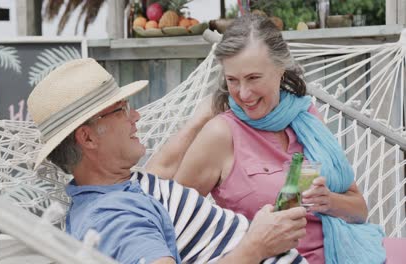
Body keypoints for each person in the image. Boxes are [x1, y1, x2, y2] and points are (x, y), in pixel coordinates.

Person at [146, 14, 386, 264]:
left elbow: (360, 210)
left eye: (253, 78)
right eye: (232, 80)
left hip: (344, 253)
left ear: (280, 69)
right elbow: (171, 221)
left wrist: (329, 202)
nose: (243, 93)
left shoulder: (306, 118)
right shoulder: (220, 134)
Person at [27, 58, 308, 264]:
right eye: (121, 109)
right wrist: (257, 246)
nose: (135, 116)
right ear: (88, 139)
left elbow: (158, 174)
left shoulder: (114, 187)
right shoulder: (116, 218)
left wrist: (199, 119)